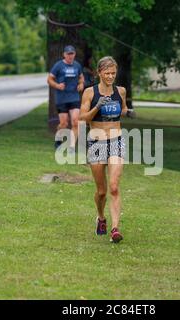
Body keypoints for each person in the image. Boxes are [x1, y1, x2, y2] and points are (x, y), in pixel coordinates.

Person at [79, 56, 128, 243]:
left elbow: (123, 109)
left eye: (113, 73)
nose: (110, 76)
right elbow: (83, 118)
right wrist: (97, 107)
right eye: (107, 73)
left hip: (116, 141)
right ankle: (101, 218)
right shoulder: (89, 93)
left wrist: (127, 112)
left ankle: (115, 229)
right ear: (99, 73)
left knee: (114, 187)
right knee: (101, 192)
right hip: (96, 143)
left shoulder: (120, 91)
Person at [47, 45, 84, 150]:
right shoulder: (58, 66)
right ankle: (58, 139)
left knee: (75, 122)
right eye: (68, 54)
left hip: (74, 97)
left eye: (72, 53)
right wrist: (57, 85)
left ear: (74, 54)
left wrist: (81, 84)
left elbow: (81, 78)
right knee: (64, 123)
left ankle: (71, 146)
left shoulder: (77, 65)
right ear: (64, 54)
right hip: (61, 98)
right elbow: (49, 79)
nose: (70, 56)